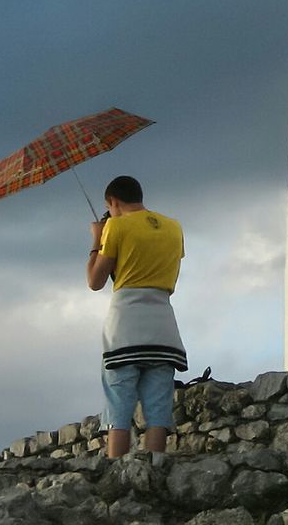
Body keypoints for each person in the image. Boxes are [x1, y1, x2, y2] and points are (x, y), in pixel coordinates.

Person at [86, 175, 187, 458]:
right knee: (158, 409)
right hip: (164, 326)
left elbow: (95, 281)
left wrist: (98, 238)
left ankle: (116, 473)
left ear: (113, 202)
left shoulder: (115, 227)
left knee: (119, 407)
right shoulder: (174, 227)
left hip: (125, 327)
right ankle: (155, 469)